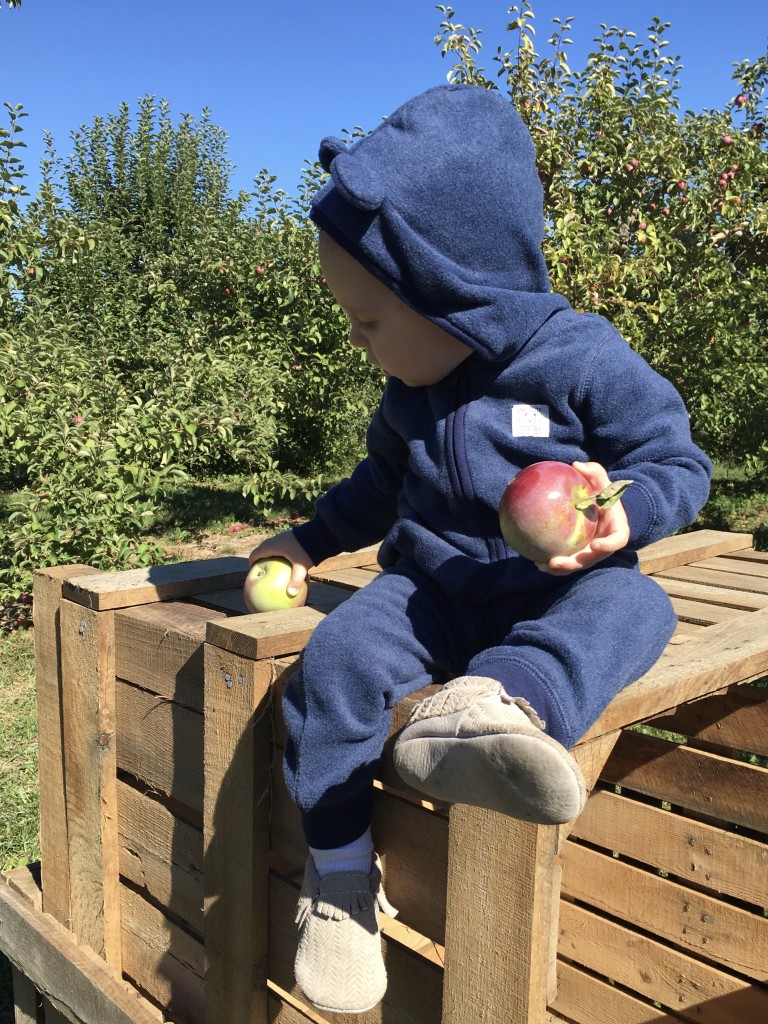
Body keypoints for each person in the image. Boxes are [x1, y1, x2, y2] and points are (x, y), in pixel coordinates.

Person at [249, 84, 712, 1014]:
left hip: (555, 589)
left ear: (456, 293)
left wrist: (637, 510)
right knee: (335, 662)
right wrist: (307, 538)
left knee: (638, 605)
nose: (357, 337)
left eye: (371, 318)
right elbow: (377, 492)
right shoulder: (409, 399)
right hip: (432, 591)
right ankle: (339, 879)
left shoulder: (579, 359)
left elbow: (675, 457)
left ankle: (501, 709)